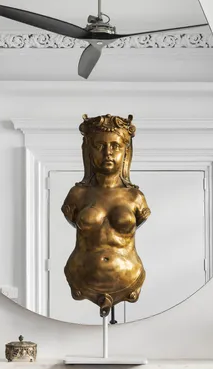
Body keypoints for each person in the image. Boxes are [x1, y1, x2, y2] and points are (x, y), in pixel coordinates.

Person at [62, 114, 151, 316]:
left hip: (129, 280)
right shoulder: (77, 195)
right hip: (82, 279)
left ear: (126, 151)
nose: (108, 153)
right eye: (100, 146)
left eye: (115, 146)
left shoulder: (135, 197)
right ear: (88, 150)